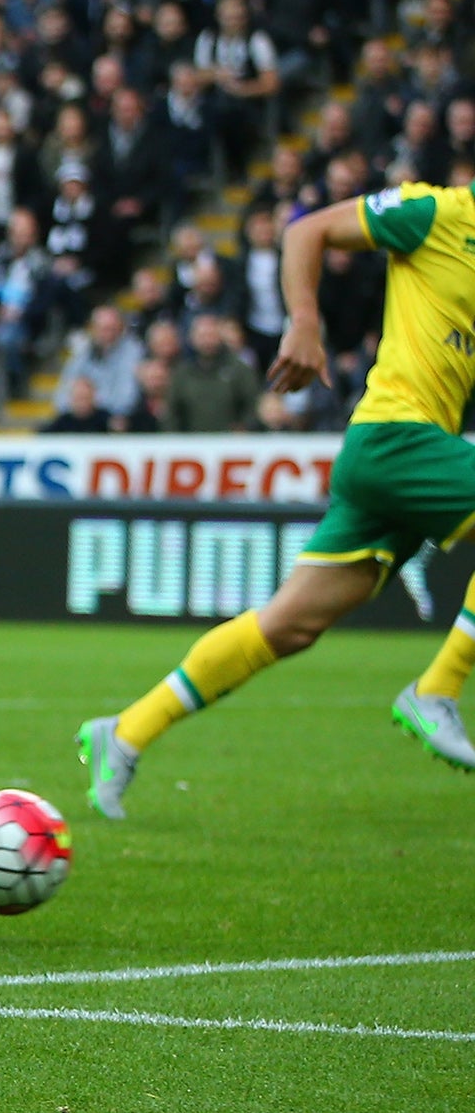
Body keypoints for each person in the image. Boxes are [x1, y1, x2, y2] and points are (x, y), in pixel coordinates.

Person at [79, 183, 475, 820]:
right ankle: (438, 688)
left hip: (413, 458)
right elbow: (305, 230)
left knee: (288, 624)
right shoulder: (439, 211)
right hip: (395, 438)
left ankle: (124, 731)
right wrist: (306, 323)